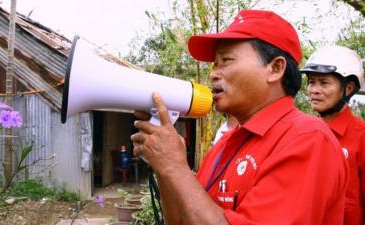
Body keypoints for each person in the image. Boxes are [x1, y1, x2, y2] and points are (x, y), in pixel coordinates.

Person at [131, 9, 348, 225]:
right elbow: (180, 221)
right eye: (215, 64)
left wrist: (174, 166)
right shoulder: (225, 144)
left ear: (275, 68)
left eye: (226, 60)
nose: (214, 73)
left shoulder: (307, 140)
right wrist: (165, 167)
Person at [301, 45, 365, 225]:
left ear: (349, 88)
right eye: (311, 82)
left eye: (324, 82)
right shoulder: (302, 133)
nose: (314, 90)